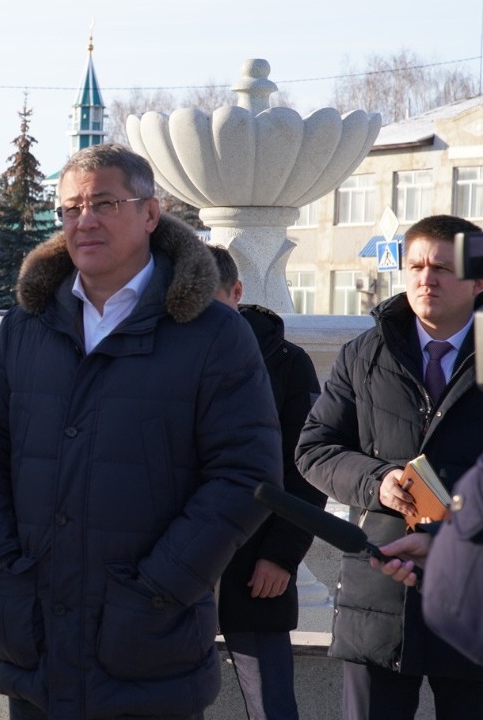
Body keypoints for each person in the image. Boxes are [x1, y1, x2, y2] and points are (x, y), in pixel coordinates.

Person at [0, 143, 282, 719]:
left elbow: (245, 475)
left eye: (104, 203)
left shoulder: (212, 333)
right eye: (71, 208)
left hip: (149, 651)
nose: (85, 220)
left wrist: (159, 587)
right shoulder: (28, 326)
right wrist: (3, 566)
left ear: (150, 214)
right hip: (37, 643)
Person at [295, 214, 483, 720]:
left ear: (479, 280)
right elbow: (314, 449)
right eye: (417, 266)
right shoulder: (365, 353)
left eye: (443, 268)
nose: (427, 279)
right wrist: (377, 482)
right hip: (379, 591)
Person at [209, 244, 326, 720]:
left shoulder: (287, 362)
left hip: (257, 565)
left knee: (272, 706)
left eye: (207, 299)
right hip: (172, 571)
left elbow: (307, 469)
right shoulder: (161, 358)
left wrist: (281, 555)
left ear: (236, 291)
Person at [371, 449, 483, 666]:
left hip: (464, 617)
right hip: (377, 612)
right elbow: (316, 449)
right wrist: (375, 480)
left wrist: (445, 546)